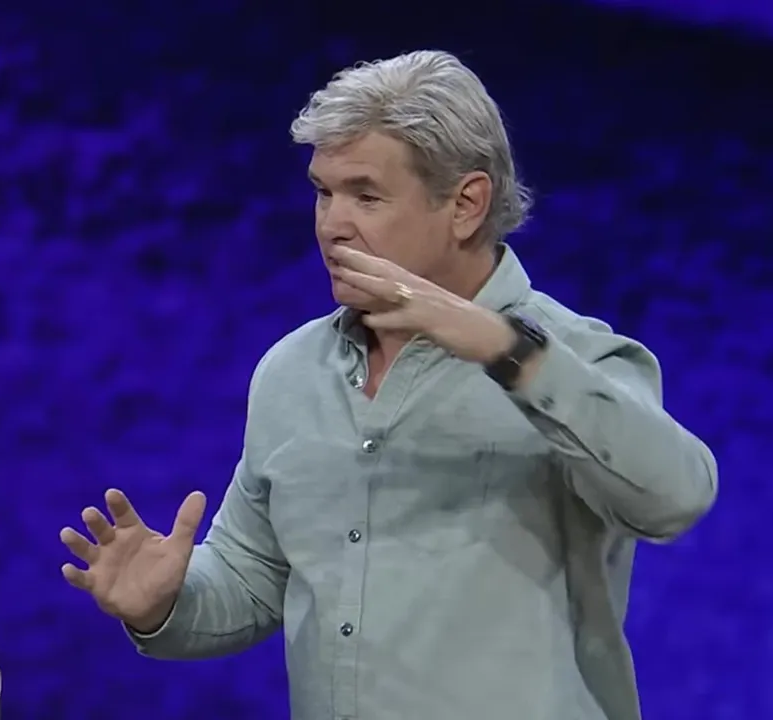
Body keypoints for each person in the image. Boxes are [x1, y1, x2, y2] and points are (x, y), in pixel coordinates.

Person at [59, 49, 717, 720]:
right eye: (324, 192)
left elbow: (676, 496)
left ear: (466, 204)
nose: (331, 225)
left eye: (366, 196)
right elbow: (252, 577)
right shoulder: (292, 370)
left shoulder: (573, 355)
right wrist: (166, 603)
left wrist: (502, 348)